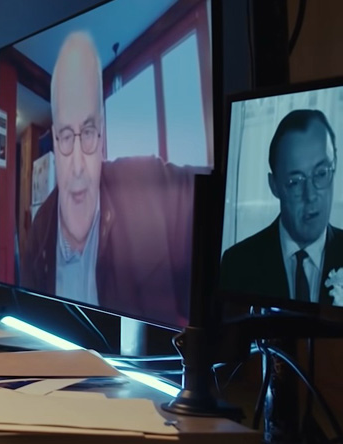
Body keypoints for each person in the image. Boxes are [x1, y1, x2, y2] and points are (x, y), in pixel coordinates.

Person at [19, 31, 199, 327]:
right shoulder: (38, 234)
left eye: (88, 132)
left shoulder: (149, 186)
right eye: (66, 136)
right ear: (54, 140)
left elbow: (216, 203)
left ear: (102, 136)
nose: (78, 165)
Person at [219, 109, 343, 305]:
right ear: (274, 185)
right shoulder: (238, 264)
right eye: (295, 181)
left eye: (321, 173)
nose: (310, 195)